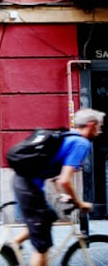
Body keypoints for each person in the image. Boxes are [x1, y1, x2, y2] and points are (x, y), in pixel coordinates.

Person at [12, 108, 105, 266]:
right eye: (100, 127)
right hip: (28, 187)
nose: (100, 131)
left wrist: (61, 195)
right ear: (91, 125)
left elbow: (56, 176)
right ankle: (14, 244)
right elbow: (65, 180)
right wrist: (80, 203)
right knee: (42, 246)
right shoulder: (81, 143)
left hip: (25, 184)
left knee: (49, 217)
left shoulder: (67, 136)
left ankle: (14, 244)